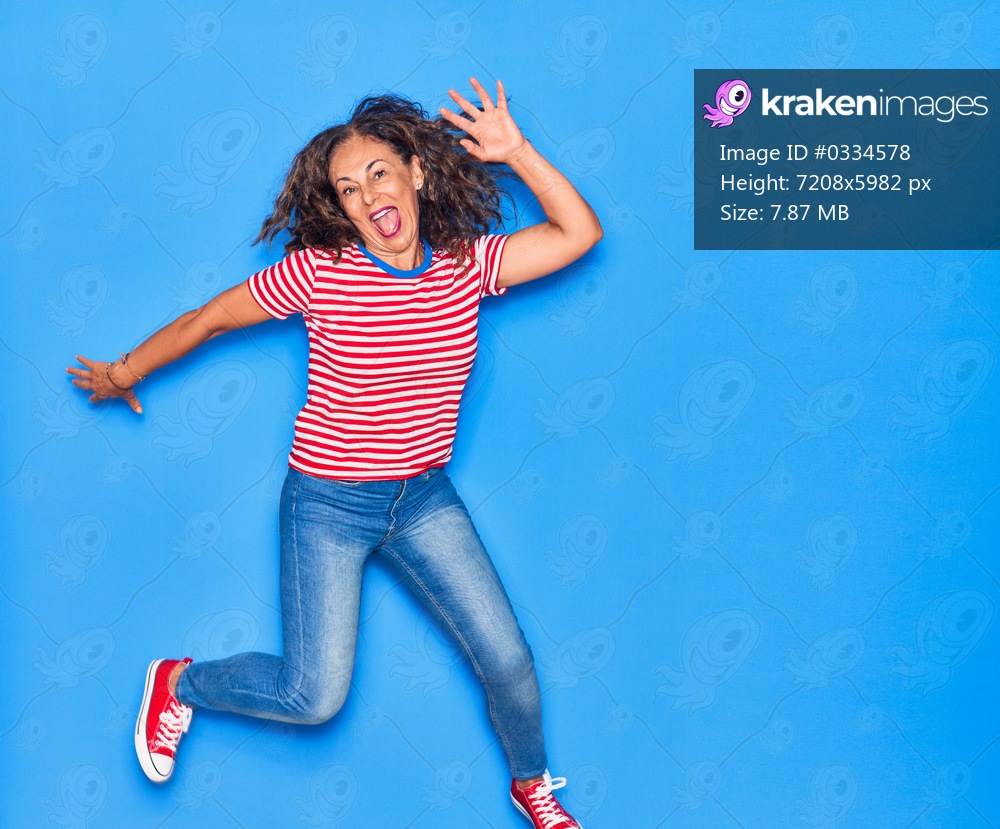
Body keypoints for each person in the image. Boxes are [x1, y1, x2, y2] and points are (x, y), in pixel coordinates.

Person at [68, 78, 602, 829]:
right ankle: (179, 683)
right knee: (312, 696)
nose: (365, 195)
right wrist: (127, 369)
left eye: (378, 172)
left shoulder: (465, 265)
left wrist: (519, 154)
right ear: (342, 209)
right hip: (327, 503)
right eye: (347, 189)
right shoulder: (320, 273)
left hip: (422, 497)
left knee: (509, 659)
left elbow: (579, 234)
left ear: (415, 171)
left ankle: (532, 782)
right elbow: (211, 318)